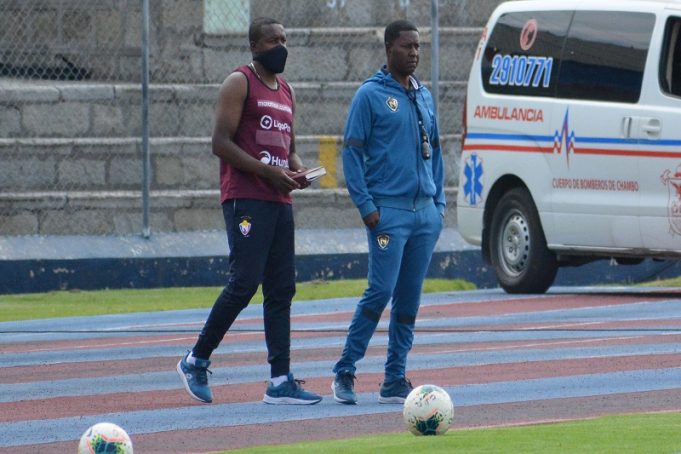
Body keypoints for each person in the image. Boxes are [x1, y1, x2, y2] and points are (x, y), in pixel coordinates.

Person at [177, 17, 322, 405]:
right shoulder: (239, 82)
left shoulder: (287, 90)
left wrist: (298, 171)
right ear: (255, 46)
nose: (281, 46)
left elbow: (290, 149)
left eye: (285, 39)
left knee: (281, 289)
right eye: (274, 40)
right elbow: (220, 143)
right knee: (244, 282)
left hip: (279, 199)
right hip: (246, 197)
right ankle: (195, 359)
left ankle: (280, 380)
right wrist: (267, 172)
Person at [331, 20, 445, 405]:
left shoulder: (423, 95)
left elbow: (436, 152)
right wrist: (366, 206)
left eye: (418, 46)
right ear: (388, 48)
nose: (414, 53)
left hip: (424, 215)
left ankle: (394, 377)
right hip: (388, 215)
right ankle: (345, 370)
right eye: (407, 46)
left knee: (409, 298)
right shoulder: (370, 95)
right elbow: (351, 153)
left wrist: (439, 206)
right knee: (380, 291)